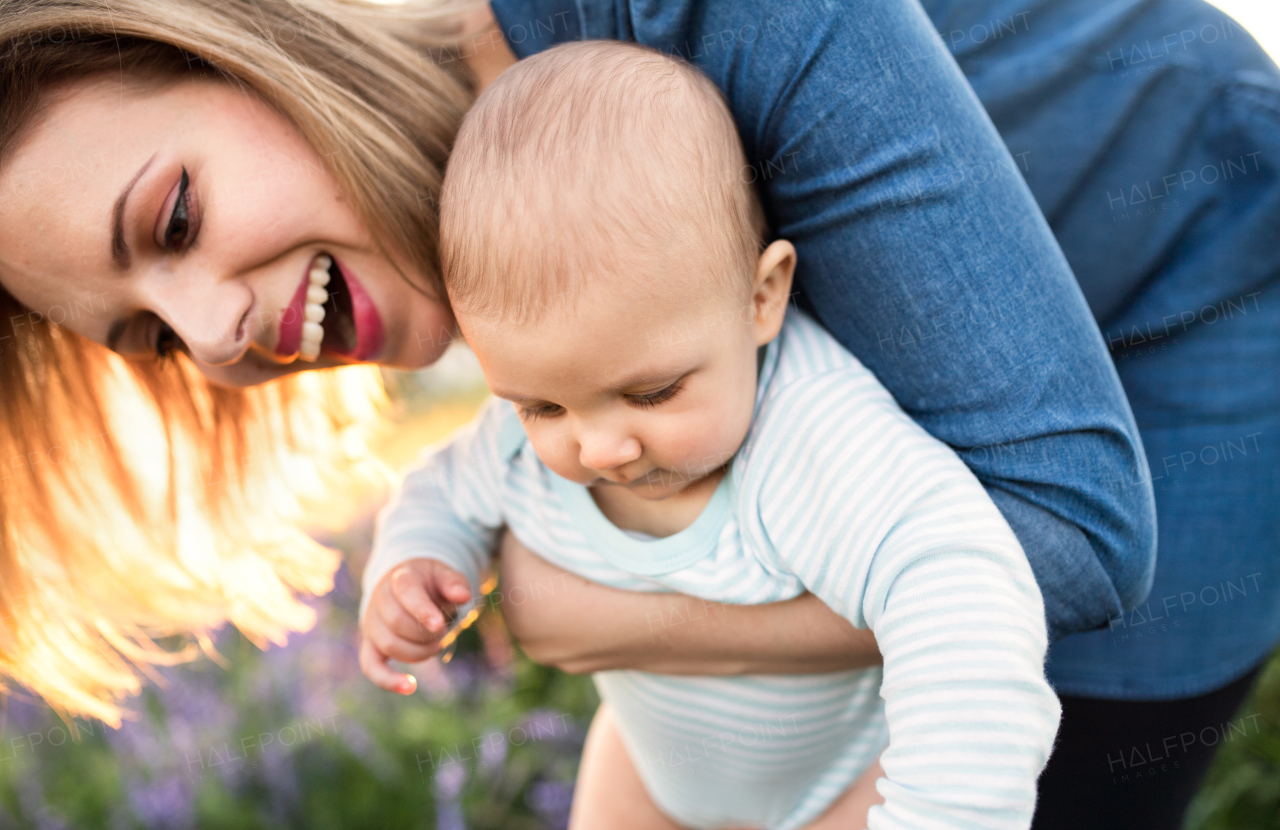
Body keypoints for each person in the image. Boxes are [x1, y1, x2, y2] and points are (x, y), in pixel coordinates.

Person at [0, 0, 1149, 780]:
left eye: (177, 219)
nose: (213, 337)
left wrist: (601, 616)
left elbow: (1075, 531)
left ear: (250, 44)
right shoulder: (507, 276)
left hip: (1168, 276)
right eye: (149, 333)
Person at [359, 40, 1060, 830]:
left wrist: (939, 814)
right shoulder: (520, 442)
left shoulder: (809, 434)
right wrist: (417, 562)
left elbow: (961, 591)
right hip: (650, 782)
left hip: (845, 783)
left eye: (650, 392)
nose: (598, 450)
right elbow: (441, 485)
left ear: (761, 298)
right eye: (541, 408)